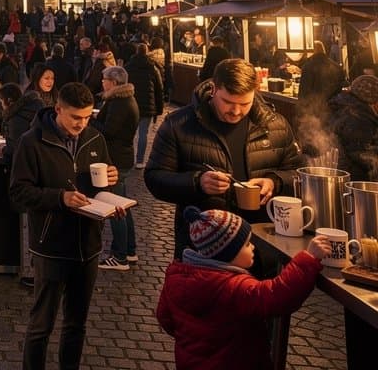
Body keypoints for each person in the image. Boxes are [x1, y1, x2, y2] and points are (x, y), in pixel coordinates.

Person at [144, 58, 305, 263]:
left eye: (245, 104)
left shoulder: (276, 125)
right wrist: (197, 182)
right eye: (228, 102)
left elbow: (298, 173)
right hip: (204, 249)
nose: (236, 111)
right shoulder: (178, 125)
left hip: (263, 248)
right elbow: (154, 178)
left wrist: (275, 181)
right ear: (213, 89)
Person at [9, 82, 120, 370]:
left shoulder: (95, 138)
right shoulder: (32, 142)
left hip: (89, 245)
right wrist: (60, 198)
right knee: (41, 325)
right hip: (51, 245)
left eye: (86, 117)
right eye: (75, 118)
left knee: (76, 324)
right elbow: (18, 193)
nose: (82, 124)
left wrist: (111, 184)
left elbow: (99, 185)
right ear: (58, 109)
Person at [156, 206, 331, 370]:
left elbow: (165, 317)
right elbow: (277, 295)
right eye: (247, 244)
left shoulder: (176, 276)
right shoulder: (234, 287)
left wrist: (193, 339)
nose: (253, 247)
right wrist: (308, 259)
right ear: (227, 254)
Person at [91, 65, 140, 271]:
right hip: (122, 157)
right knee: (124, 206)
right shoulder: (123, 99)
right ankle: (129, 250)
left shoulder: (119, 102)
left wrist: (92, 122)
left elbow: (109, 131)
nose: (102, 82)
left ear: (115, 82)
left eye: (105, 79)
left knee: (116, 209)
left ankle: (119, 255)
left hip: (116, 159)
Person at [328, 74, 378, 181]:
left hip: (339, 171)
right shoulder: (359, 117)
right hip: (352, 176)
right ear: (372, 100)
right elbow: (359, 152)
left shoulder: (344, 105)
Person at [125, 43, 164, 169]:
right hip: (148, 105)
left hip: (132, 103)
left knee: (130, 132)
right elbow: (159, 89)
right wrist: (159, 109)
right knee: (143, 134)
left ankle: (129, 157)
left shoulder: (129, 67)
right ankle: (140, 161)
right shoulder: (152, 68)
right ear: (147, 52)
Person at [0, 82, 41, 168]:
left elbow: (15, 150)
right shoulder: (31, 109)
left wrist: (3, 150)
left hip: (23, 167)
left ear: (9, 100)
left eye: (1, 101)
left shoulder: (16, 119)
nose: (1, 106)